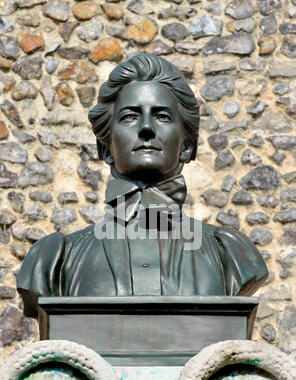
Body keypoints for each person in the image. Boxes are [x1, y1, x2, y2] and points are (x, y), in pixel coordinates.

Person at [17, 53, 268, 317]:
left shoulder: (230, 254)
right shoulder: (54, 260)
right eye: (129, 116)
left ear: (186, 147)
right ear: (105, 148)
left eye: (161, 116)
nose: (146, 128)